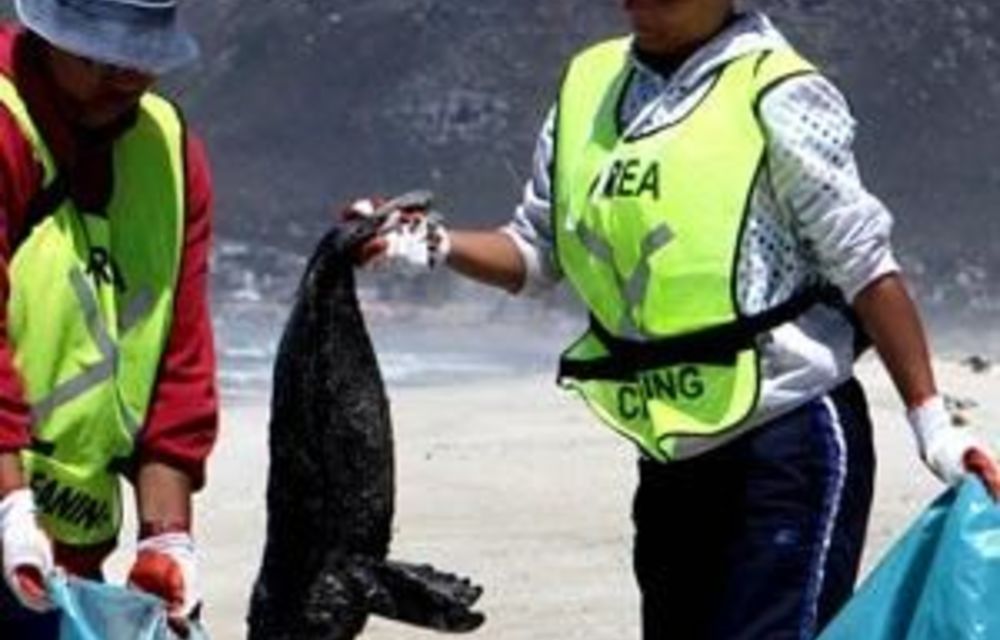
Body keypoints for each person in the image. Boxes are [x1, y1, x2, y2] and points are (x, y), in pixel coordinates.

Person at [350, 0, 1000, 638]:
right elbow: (535, 250)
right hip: (670, 444)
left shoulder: (777, 91)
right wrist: (429, 243)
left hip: (785, 438)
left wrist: (934, 429)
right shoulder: (589, 87)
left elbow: (866, 266)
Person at [0, 0, 217, 636]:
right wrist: (10, 506)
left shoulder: (170, 153)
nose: (123, 78)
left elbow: (179, 366)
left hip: (62, 560)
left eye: (140, 58)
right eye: (98, 56)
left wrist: (166, 539)